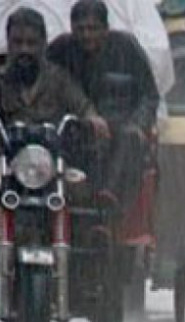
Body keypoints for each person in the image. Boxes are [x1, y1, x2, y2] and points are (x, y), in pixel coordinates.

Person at [48, 0, 159, 210]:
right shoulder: (61, 49)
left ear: (106, 29)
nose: (86, 35)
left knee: (129, 140)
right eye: (80, 29)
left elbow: (150, 95)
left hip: (121, 132)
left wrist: (139, 124)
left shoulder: (127, 48)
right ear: (72, 29)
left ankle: (108, 203)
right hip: (75, 131)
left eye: (93, 28)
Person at [0, 7, 106, 136]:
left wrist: (94, 121)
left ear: (43, 44)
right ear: (8, 43)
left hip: (51, 152)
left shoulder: (59, 80)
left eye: (31, 43)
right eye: (18, 42)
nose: (24, 50)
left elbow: (83, 108)